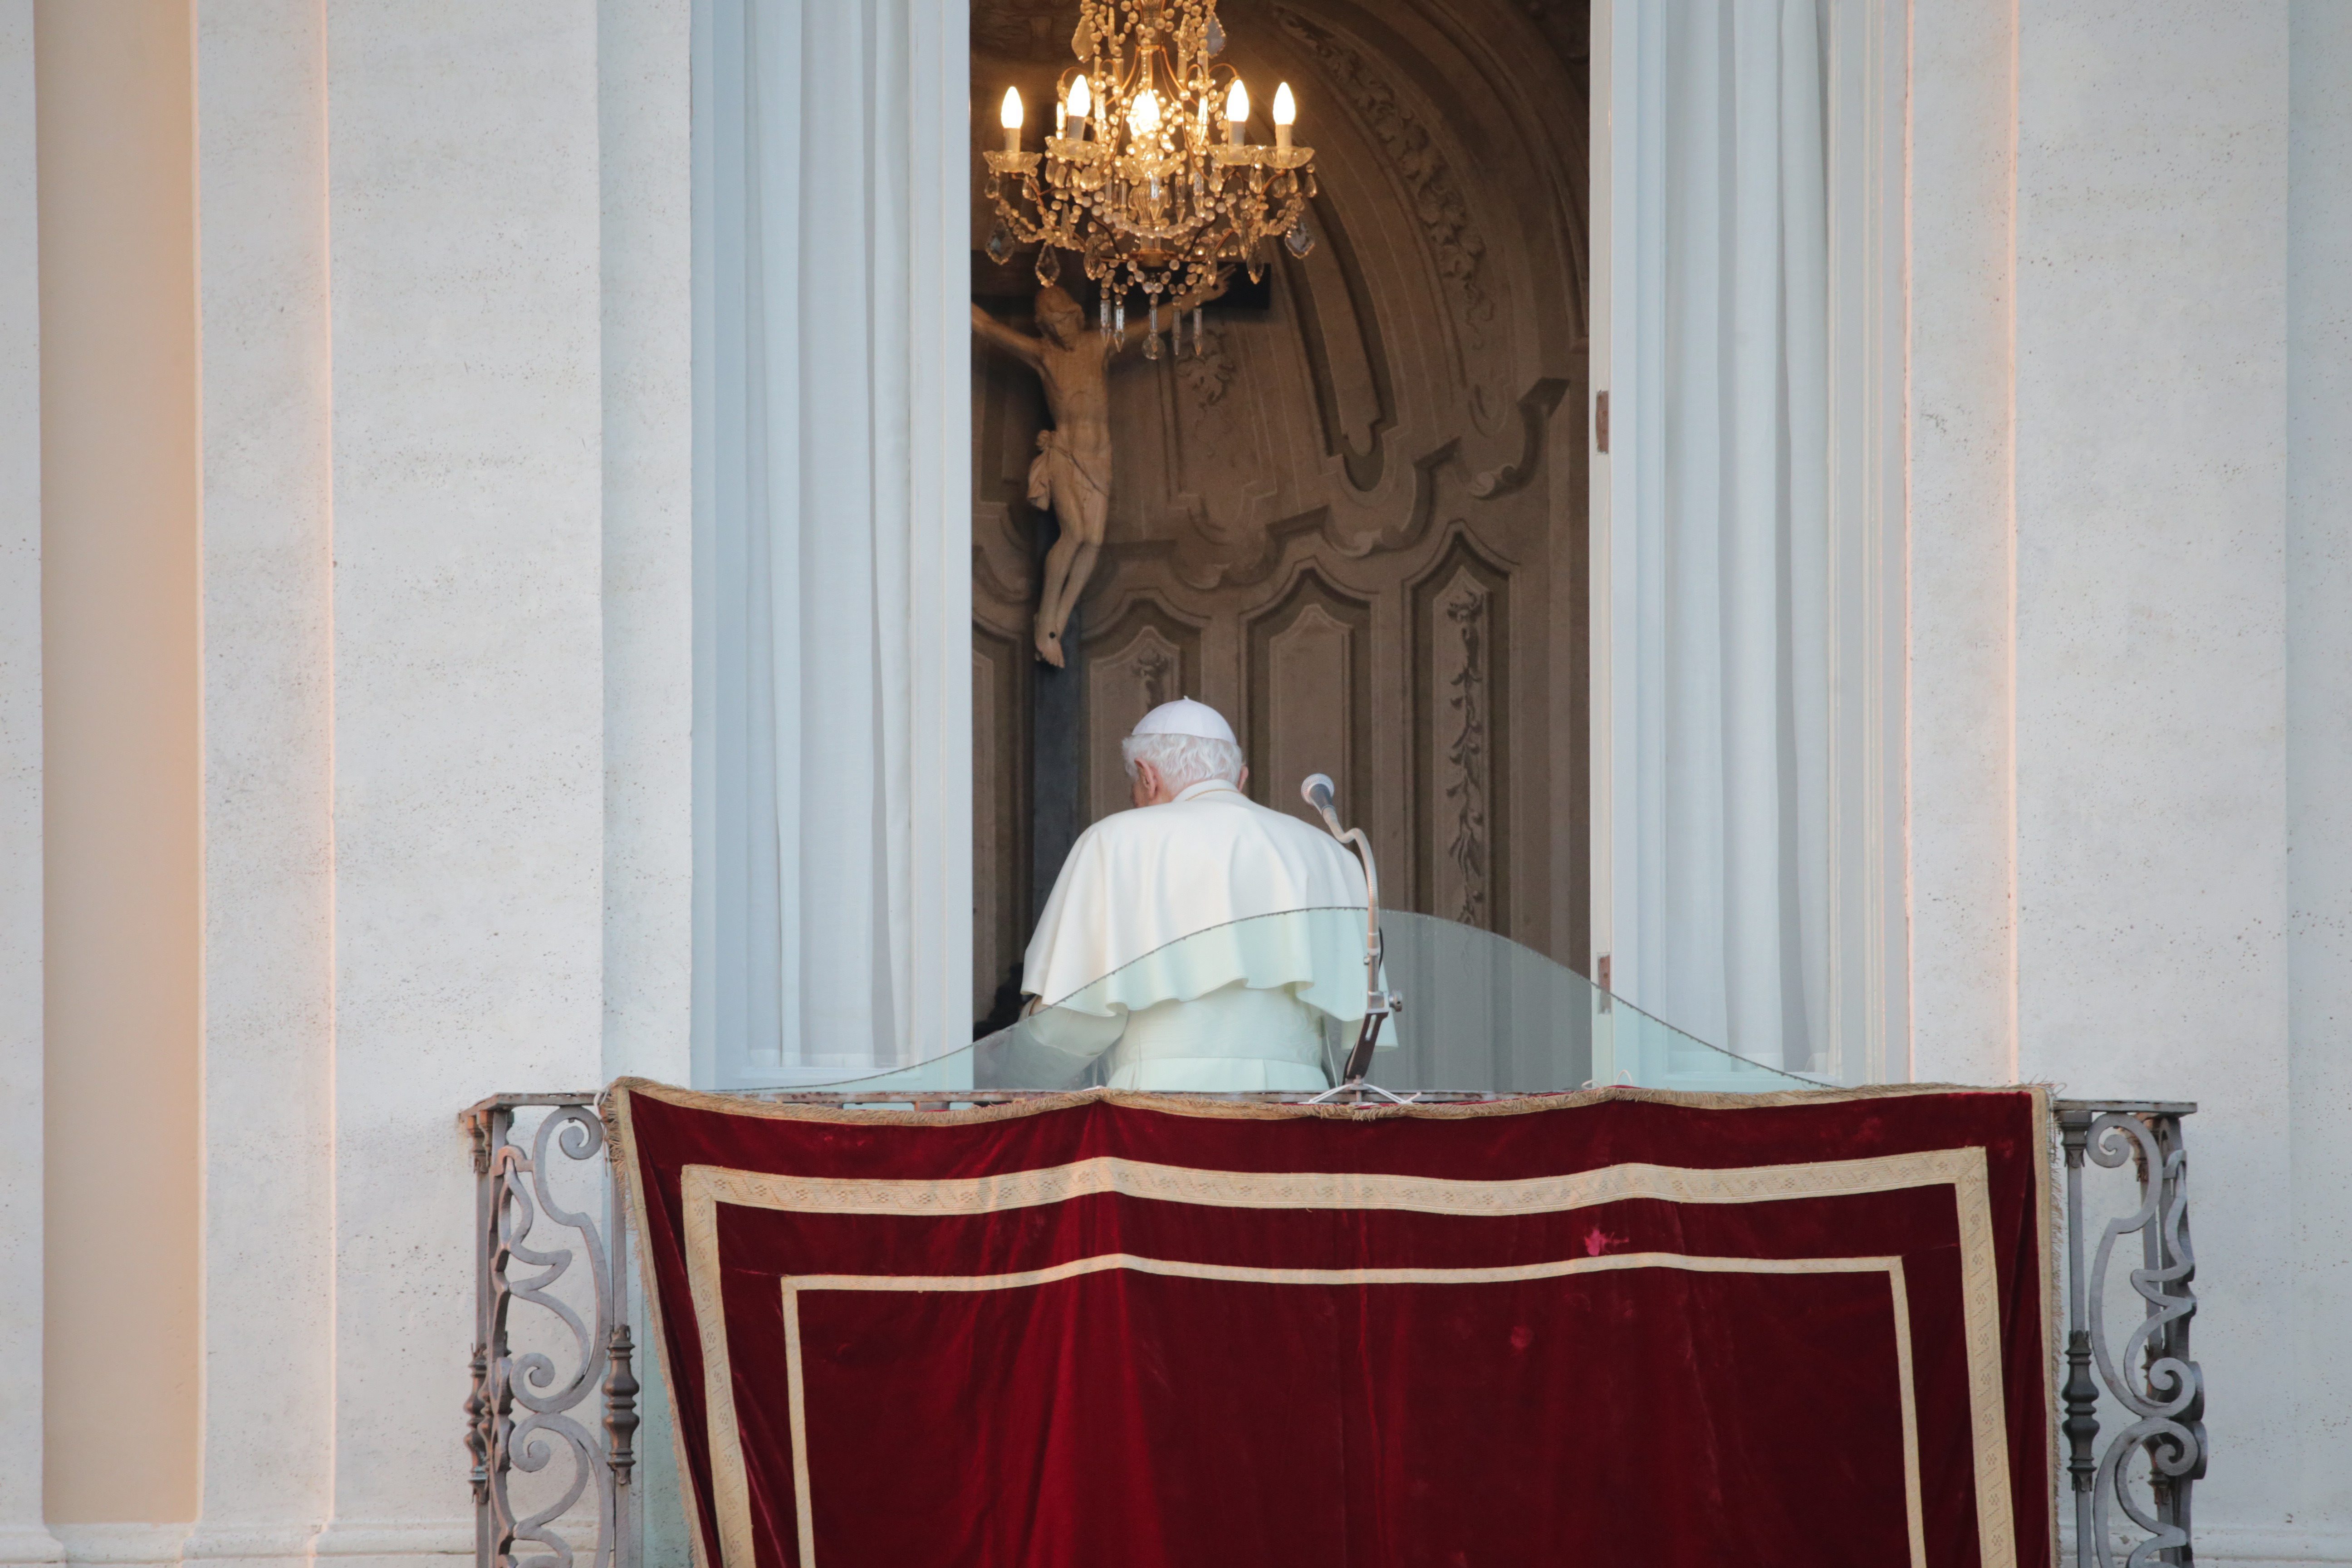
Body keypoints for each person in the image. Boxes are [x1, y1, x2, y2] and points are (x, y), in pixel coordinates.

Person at [1012, 697, 1376, 1091]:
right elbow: (1356, 1026)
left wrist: (1010, 1064)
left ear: (1147, 776)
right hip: (1296, 1106)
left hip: (1161, 1105)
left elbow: (1076, 1022)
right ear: (1240, 779)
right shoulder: (1329, 853)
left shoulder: (1115, 841)